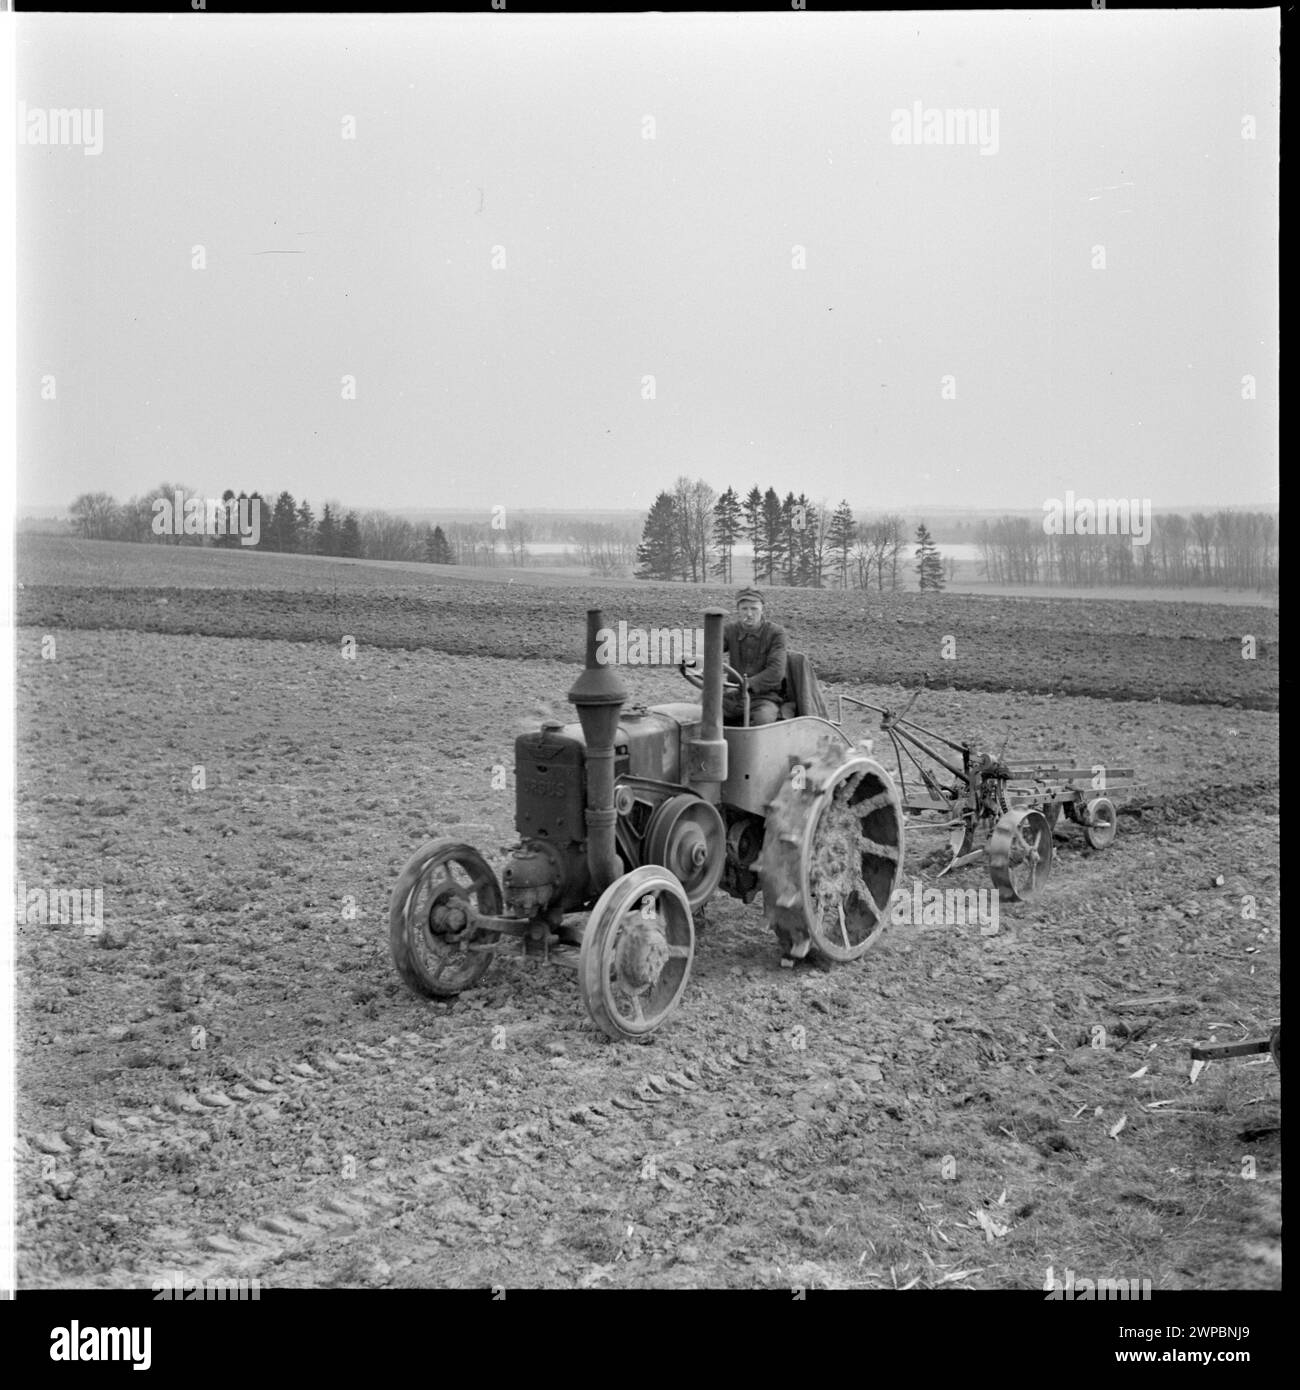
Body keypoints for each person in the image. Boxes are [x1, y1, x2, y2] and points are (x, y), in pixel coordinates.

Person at [722, 588, 787, 726]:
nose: (749, 614)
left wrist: (746, 684)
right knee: (702, 713)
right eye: (744, 609)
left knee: (762, 721)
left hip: (763, 698)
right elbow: (711, 651)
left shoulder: (775, 633)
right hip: (732, 696)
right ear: (738, 610)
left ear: (763, 609)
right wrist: (692, 660)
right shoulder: (729, 630)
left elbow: (776, 672)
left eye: (754, 609)